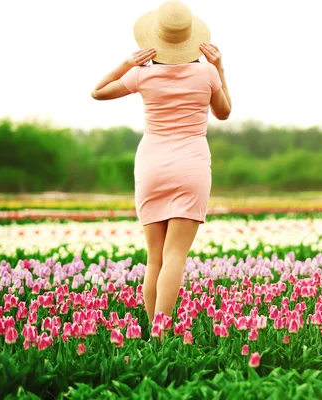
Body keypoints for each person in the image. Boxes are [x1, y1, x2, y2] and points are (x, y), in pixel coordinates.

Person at [90, 1, 232, 329]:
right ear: (191, 39)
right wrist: (220, 66)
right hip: (191, 166)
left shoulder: (142, 75)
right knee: (175, 256)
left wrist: (127, 62)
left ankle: (154, 331)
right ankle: (161, 335)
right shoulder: (207, 72)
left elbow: (97, 92)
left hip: (151, 165)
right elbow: (224, 112)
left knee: (154, 257)